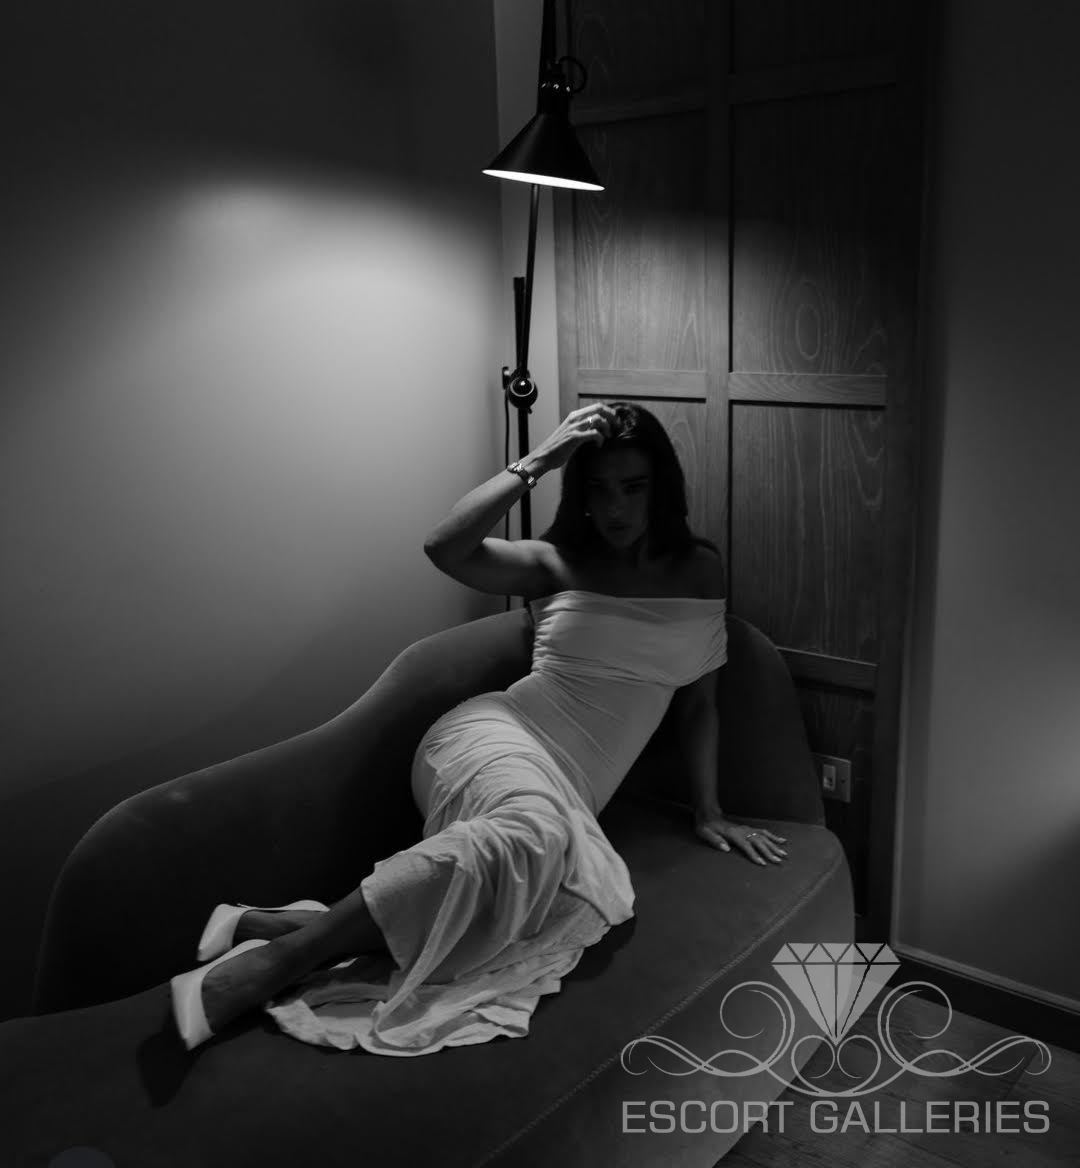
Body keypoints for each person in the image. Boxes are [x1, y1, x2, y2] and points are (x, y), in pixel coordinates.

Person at [170, 400, 788, 1055]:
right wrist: (539, 460)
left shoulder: (701, 569)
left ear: (661, 487)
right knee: (529, 835)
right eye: (599, 489)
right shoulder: (554, 562)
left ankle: (263, 925)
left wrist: (708, 811)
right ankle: (277, 962)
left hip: (572, 789)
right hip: (497, 736)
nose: (616, 508)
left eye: (633, 488)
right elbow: (444, 547)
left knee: (551, 886)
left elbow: (699, 703)